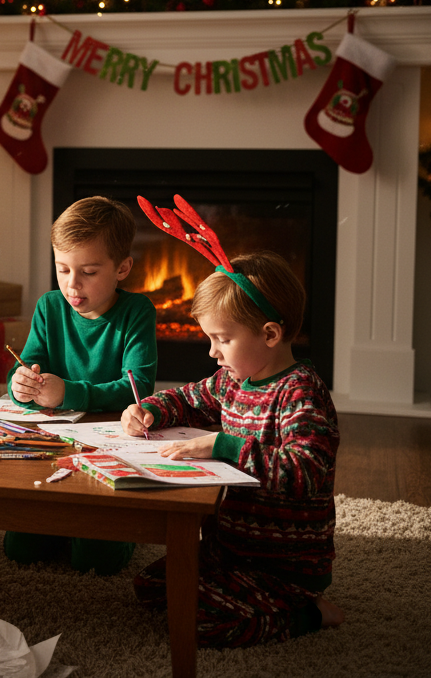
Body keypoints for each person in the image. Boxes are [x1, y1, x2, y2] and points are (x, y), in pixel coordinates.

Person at [122, 250, 343, 648]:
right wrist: (149, 410)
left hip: (283, 565)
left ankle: (310, 613)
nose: (212, 352)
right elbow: (189, 400)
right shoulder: (232, 380)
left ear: (270, 335)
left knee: (197, 623)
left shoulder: (300, 392)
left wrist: (223, 446)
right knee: (150, 587)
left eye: (223, 339)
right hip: (228, 549)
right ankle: (235, 586)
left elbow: (305, 471)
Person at [3, 195, 157, 574]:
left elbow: (138, 389)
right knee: (20, 549)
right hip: (54, 447)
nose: (72, 284)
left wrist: (69, 392)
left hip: (113, 448)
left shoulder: (137, 312)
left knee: (96, 561)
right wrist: (19, 386)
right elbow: (27, 369)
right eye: (63, 269)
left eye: (88, 271)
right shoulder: (49, 306)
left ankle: (122, 525)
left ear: (122, 268)